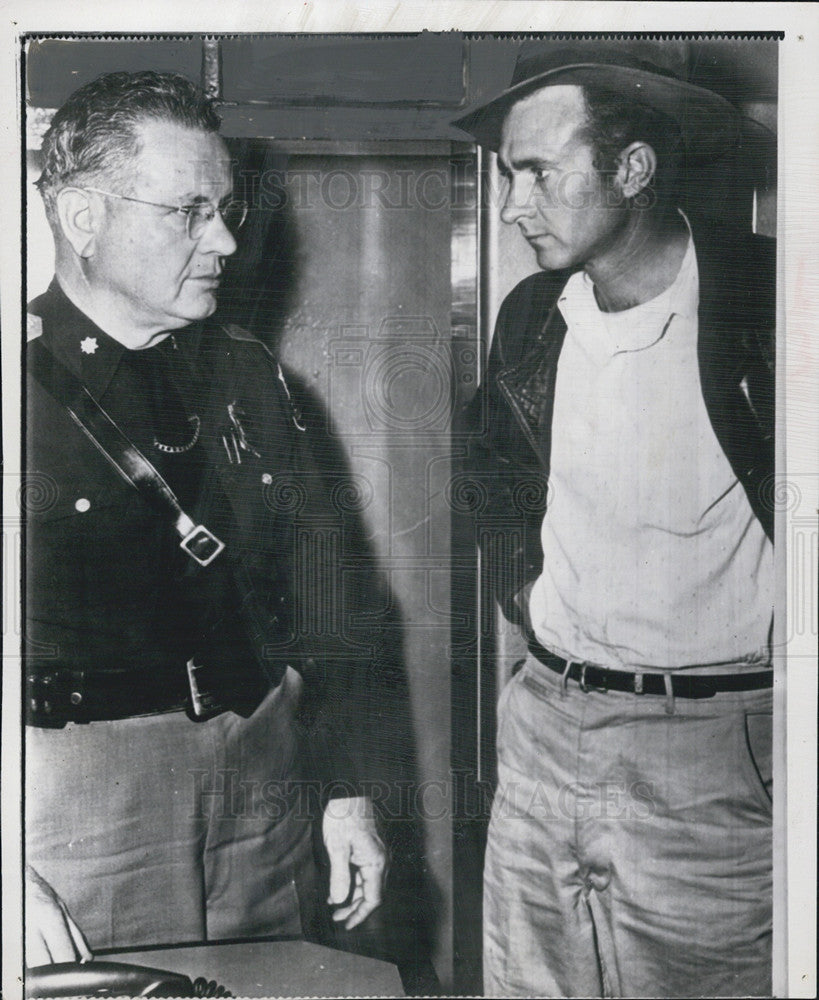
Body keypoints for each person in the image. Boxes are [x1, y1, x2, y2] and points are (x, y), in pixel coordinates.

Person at [24, 70, 388, 967]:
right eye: (187, 211)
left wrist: (346, 790)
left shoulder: (245, 375)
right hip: (83, 803)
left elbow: (327, 596)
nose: (223, 238)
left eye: (223, 208)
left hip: (260, 774)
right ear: (82, 218)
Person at [454, 43, 775, 998]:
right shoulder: (529, 319)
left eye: (538, 173)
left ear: (631, 170)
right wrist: (532, 595)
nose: (513, 205)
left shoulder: (772, 308)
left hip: (716, 751)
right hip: (546, 724)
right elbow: (496, 483)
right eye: (509, 175)